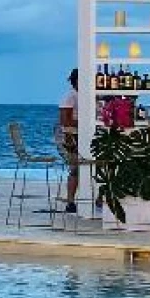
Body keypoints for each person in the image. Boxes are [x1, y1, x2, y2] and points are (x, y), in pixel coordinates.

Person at [58, 69, 80, 213]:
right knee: (75, 169)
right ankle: (70, 202)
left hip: (82, 136)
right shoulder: (70, 96)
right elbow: (64, 120)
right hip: (72, 137)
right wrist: (84, 122)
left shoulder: (85, 95)